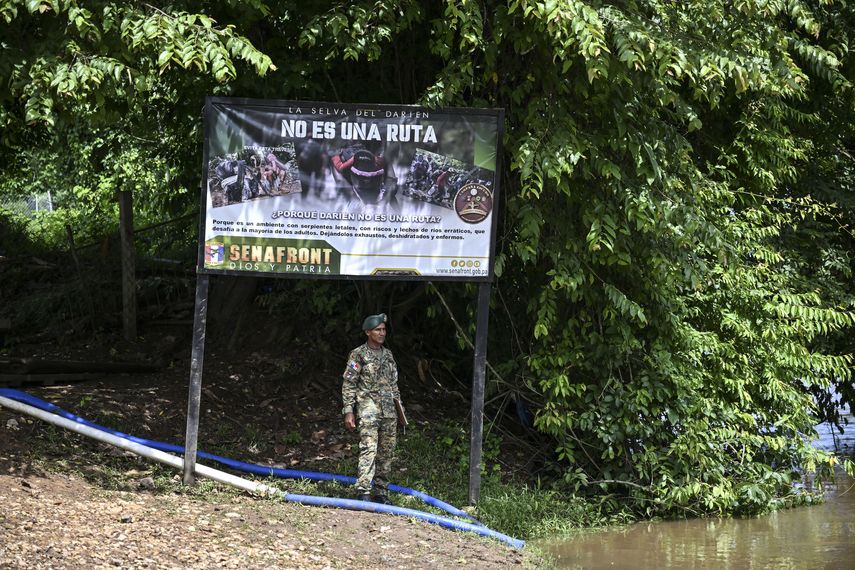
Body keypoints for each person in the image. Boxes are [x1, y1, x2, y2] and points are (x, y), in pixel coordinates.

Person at [341, 313, 405, 503]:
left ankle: (381, 491)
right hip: (368, 408)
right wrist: (348, 410)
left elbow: (394, 385)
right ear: (368, 332)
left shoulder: (388, 355)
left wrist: (400, 410)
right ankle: (364, 490)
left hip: (389, 410)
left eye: (384, 329)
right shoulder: (358, 354)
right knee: (369, 448)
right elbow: (349, 383)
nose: (382, 333)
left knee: (386, 451)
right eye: (378, 330)